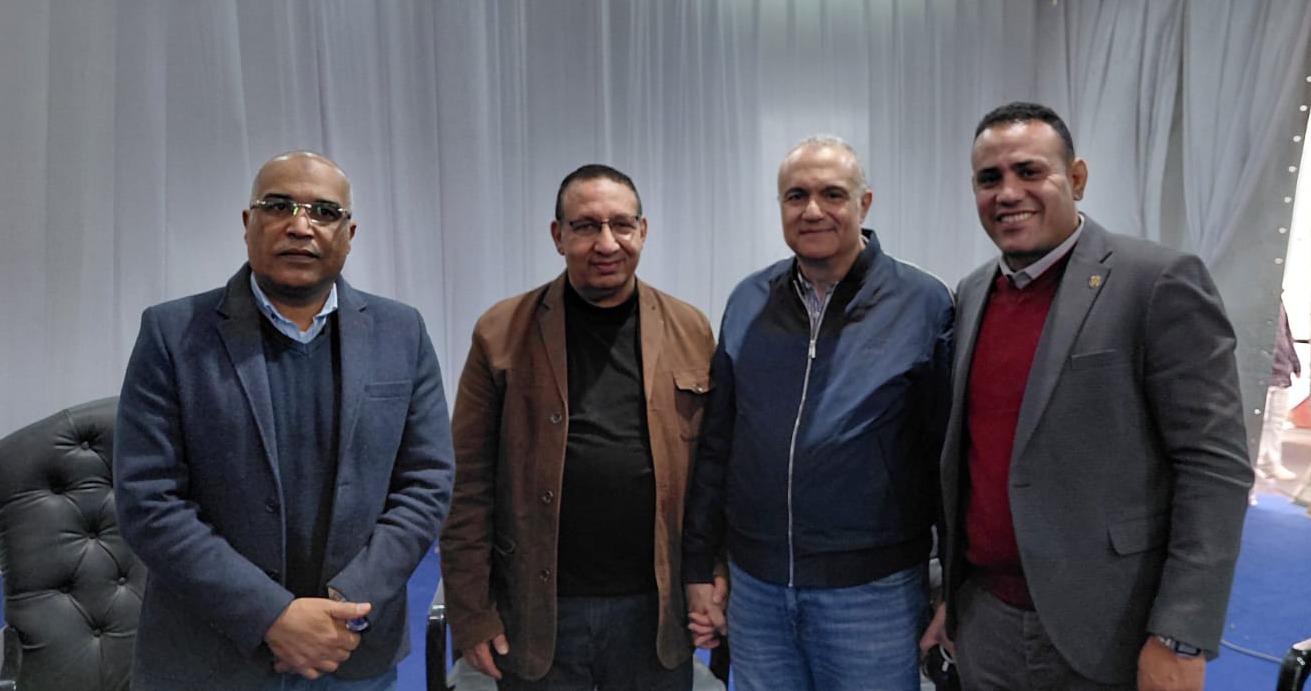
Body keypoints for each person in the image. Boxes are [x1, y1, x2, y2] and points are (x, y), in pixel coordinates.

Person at [921, 103, 1251, 691]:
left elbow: (1214, 466)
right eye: (989, 178)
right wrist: (954, 593)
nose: (1008, 193)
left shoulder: (1157, 282)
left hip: (1109, 628)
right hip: (986, 622)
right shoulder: (971, 294)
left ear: (1076, 179)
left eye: (1029, 171)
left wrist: (1181, 634)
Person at [114, 150, 456, 690]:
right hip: (210, 655)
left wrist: (345, 601)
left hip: (351, 647)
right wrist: (270, 615)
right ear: (248, 223)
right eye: (279, 206)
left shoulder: (401, 333)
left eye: (324, 211)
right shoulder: (172, 334)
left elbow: (427, 483)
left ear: (349, 233)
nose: (301, 225)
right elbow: (149, 500)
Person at [683, 136, 953, 691]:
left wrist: (955, 588)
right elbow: (717, 445)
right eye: (796, 196)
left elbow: (949, 460)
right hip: (756, 589)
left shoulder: (923, 303)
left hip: (872, 594)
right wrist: (702, 563)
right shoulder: (748, 300)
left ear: (865, 203)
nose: (812, 210)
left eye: (832, 194)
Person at [439, 164, 715, 690]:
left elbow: (713, 474)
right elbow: (466, 484)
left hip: (656, 610)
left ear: (643, 231)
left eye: (622, 225)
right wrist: (472, 611)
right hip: (538, 610)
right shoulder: (501, 333)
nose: (606, 243)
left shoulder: (691, 329)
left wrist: (712, 574)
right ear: (558, 235)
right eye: (586, 226)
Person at [1256, 304, 1303, 481]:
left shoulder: (1279, 305)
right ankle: (1257, 462)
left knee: (1276, 422)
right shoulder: (1256, 302)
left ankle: (1272, 463)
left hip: (1282, 373)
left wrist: (1295, 363)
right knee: (1260, 421)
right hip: (1263, 373)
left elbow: (1287, 334)